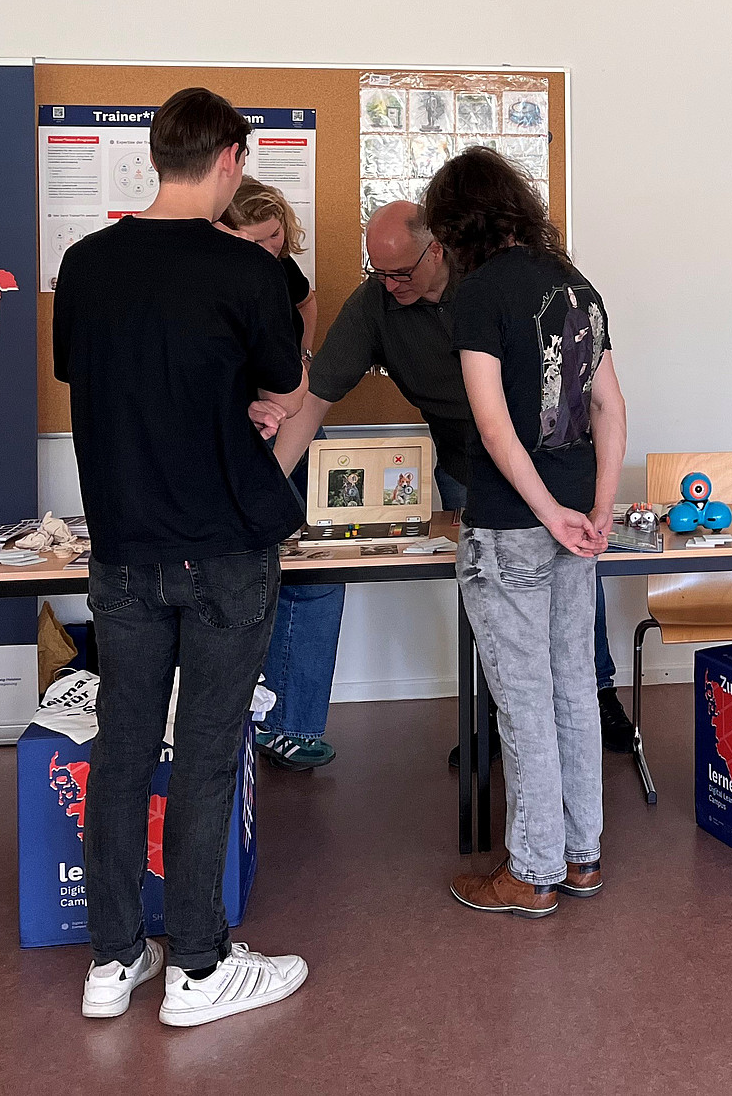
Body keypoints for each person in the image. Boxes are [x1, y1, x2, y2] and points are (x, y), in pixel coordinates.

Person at [52, 88, 310, 1027]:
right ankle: (198, 968)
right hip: (224, 549)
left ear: (154, 156)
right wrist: (257, 404)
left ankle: (113, 959)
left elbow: (90, 373)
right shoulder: (244, 270)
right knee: (203, 754)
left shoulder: (85, 264)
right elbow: (285, 381)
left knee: (121, 751)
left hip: (123, 549)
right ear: (231, 159)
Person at [265, 199, 637, 773]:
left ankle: (599, 690)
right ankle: (498, 716)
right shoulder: (375, 306)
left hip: (546, 460)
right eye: (378, 273)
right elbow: (314, 400)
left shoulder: (486, 286)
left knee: (570, 576)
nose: (390, 285)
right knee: (493, 596)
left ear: (436, 249)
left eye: (401, 273)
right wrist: (268, 487)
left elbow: (585, 381)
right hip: (467, 469)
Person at [428, 147, 626, 917]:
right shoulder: (577, 285)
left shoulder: (479, 293)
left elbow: (494, 427)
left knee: (523, 701)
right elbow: (610, 407)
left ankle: (532, 872)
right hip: (577, 524)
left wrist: (545, 511)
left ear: (458, 225)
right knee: (573, 687)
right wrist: (598, 508)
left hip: (515, 525)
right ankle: (581, 856)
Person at [220, 177, 318, 349]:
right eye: (256, 242)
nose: (269, 251)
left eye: (274, 234)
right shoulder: (219, 279)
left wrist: (305, 354)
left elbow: (306, 302)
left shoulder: (282, 262)